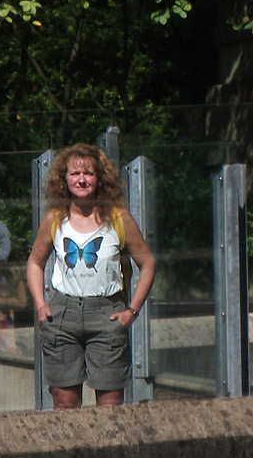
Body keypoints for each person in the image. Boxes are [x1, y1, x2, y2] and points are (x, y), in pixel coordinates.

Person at [27, 143, 156, 409]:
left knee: (110, 406)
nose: (81, 180)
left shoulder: (119, 218)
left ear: (100, 179)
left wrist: (131, 311)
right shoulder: (54, 219)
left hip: (107, 312)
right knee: (64, 403)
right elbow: (35, 262)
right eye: (75, 174)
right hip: (63, 314)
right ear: (64, 180)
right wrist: (41, 305)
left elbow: (148, 263)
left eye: (88, 174)